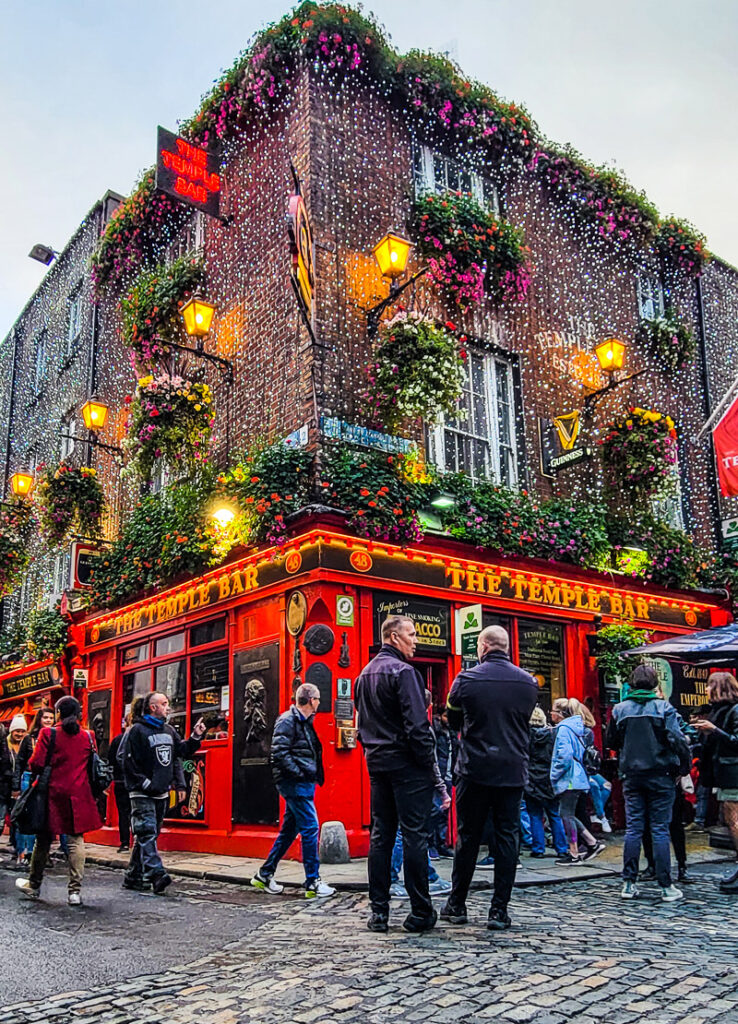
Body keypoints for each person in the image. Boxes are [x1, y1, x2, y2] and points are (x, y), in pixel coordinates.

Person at [441, 625, 538, 930]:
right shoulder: (528, 683)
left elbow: (453, 720)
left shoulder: (466, 680)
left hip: (475, 768)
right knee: (508, 836)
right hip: (512, 768)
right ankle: (499, 910)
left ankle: (457, 904)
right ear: (506, 647)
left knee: (468, 837)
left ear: (483, 647)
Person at [355, 615, 438, 934]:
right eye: (411, 634)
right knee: (415, 835)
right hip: (407, 763)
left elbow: (362, 725)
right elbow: (418, 726)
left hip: (377, 764)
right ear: (392, 637)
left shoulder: (364, 674)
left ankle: (378, 912)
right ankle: (420, 910)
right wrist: (426, 762)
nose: (416, 640)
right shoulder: (405, 673)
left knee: (381, 835)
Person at [606, 664, 690, 902]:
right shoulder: (664, 708)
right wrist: (682, 768)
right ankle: (665, 885)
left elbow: (612, 740)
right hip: (661, 774)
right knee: (660, 829)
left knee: (634, 828)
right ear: (654, 684)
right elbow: (677, 740)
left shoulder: (619, 710)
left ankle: (629, 883)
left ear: (631, 683)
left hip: (632, 775)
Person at [250, 682, 335, 899]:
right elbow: (279, 753)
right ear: (310, 700)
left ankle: (264, 874)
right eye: (317, 698)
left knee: (289, 831)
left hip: (302, 782)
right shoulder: (288, 720)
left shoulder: (303, 721)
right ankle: (312, 881)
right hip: (295, 783)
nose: (319, 702)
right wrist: (300, 773)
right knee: (310, 827)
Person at [15, 698, 101, 906]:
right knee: (75, 841)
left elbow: (35, 763)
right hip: (79, 793)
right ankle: (74, 892)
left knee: (43, 839)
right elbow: (93, 763)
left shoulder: (49, 733)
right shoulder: (88, 736)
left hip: (51, 793)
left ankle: (34, 884)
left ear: (59, 713)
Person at [120, 691, 205, 895]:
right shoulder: (136, 731)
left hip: (161, 792)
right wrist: (145, 783)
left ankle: (133, 876)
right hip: (142, 792)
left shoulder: (168, 730)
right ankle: (156, 873)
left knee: (149, 834)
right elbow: (125, 760)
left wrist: (196, 736)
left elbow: (180, 752)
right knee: (146, 831)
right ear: (153, 707)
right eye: (164, 703)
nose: (168, 707)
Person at [692, 671, 738, 893]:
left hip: (733, 774)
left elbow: (736, 742)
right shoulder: (719, 712)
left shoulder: (735, 711)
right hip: (724, 773)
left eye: (710, 686)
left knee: (735, 822)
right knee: (731, 822)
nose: (706, 690)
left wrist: (714, 730)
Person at [550, 698, 606, 865]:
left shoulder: (564, 730)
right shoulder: (577, 728)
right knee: (568, 814)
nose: (551, 713)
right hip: (578, 777)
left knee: (566, 815)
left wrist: (553, 774)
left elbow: (563, 756)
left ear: (560, 714)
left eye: (552, 710)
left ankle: (574, 852)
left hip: (569, 778)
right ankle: (591, 843)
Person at [11, 707, 55, 865]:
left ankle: (41, 853)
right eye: (46, 718)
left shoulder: (55, 736)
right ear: (39, 719)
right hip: (30, 778)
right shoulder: (29, 739)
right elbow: (20, 764)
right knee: (28, 815)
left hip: (48, 780)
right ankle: (26, 852)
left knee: (44, 818)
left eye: (51, 717)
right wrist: (16, 786)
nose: (49, 720)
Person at [525, 706, 569, 859]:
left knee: (535, 815)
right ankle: (562, 848)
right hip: (549, 779)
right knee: (554, 815)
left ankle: (538, 849)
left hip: (531, 780)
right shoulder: (552, 735)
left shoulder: (526, 736)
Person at [108, 717, 132, 853]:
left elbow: (111, 760)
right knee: (136, 812)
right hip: (135, 782)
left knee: (124, 813)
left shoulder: (117, 740)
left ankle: (124, 843)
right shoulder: (139, 737)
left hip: (120, 781)